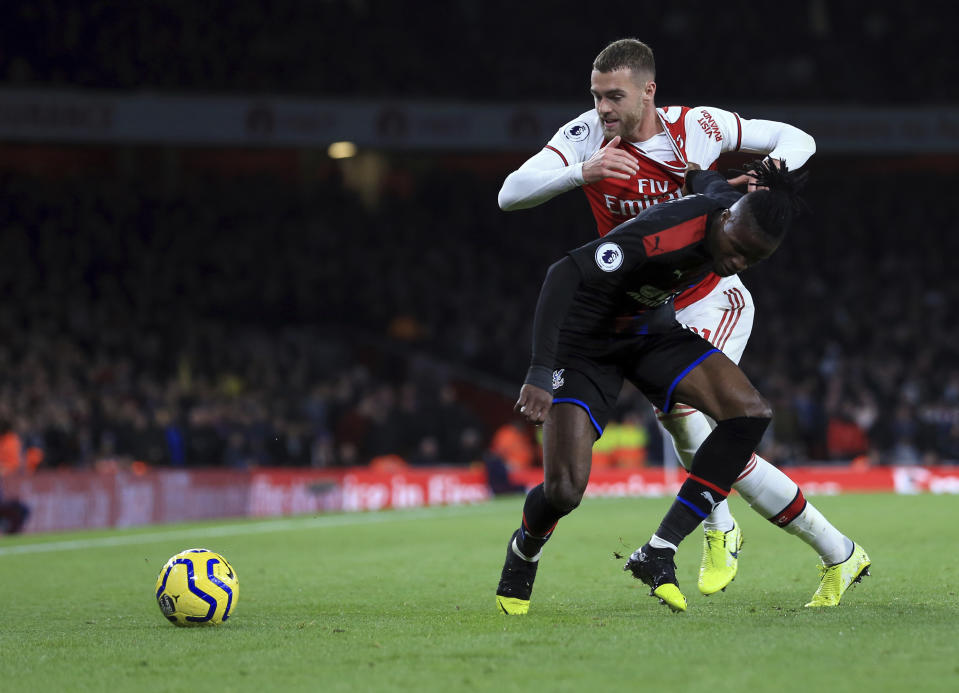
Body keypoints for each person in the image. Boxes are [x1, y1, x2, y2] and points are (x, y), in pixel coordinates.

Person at [497, 38, 868, 606]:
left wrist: (767, 184)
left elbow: (801, 140)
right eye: (596, 96)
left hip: (709, 297)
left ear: (648, 90)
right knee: (699, 436)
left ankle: (732, 532)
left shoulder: (700, 128)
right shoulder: (586, 137)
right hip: (641, 303)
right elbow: (510, 193)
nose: (602, 109)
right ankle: (798, 542)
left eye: (613, 96)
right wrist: (583, 171)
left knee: (702, 426)